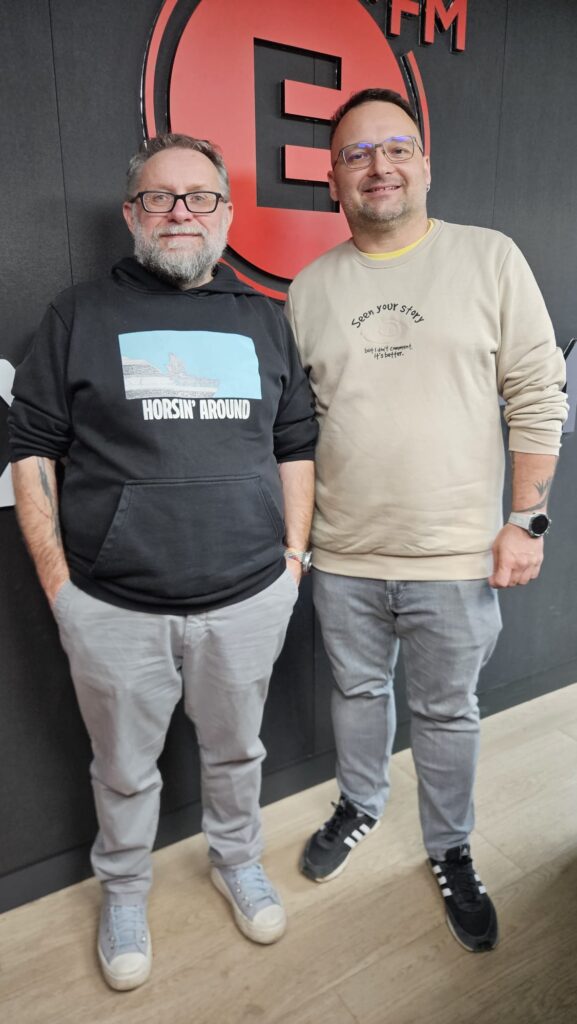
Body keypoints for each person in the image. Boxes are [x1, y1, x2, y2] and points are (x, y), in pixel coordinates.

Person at [9, 134, 316, 990]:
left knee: (237, 753)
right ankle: (124, 892)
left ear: (226, 213)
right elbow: (32, 452)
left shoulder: (264, 319)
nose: (180, 212)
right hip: (112, 609)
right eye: (160, 196)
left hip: (249, 597)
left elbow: (295, 445)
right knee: (121, 770)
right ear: (131, 213)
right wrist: (61, 587)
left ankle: (237, 861)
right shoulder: (77, 315)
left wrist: (293, 562)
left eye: (200, 196)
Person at [286, 88, 567, 953]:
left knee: (447, 715)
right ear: (333, 180)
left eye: (395, 148)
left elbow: (536, 392)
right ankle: (360, 803)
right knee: (357, 693)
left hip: (454, 556)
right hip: (342, 556)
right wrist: (298, 545)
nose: (378, 166)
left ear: (423, 163)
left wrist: (527, 519)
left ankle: (449, 847)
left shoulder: (488, 257)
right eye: (356, 153)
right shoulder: (308, 288)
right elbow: (296, 431)